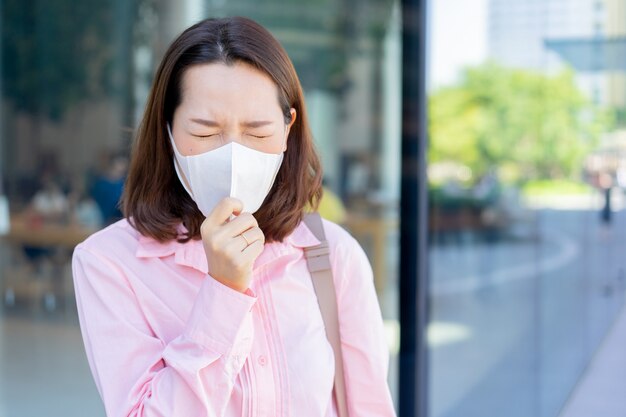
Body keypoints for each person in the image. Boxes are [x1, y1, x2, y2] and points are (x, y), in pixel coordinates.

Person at [72, 16, 396, 417]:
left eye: (257, 133)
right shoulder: (108, 262)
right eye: (205, 133)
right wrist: (222, 292)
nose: (233, 155)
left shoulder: (331, 255)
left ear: (288, 128)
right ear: (168, 128)